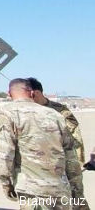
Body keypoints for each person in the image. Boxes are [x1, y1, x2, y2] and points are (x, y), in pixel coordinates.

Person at [0, 78, 82, 208]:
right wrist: (76, 188)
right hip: (60, 187)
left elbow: (5, 153)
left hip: (32, 190)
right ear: (31, 93)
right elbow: (70, 155)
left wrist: (6, 183)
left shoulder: (7, 114)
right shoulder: (55, 114)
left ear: (9, 93)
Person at [27, 77, 88, 209]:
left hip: (66, 164)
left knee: (76, 199)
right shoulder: (26, 113)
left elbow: (75, 139)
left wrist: (76, 163)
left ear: (35, 93)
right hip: (39, 168)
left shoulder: (60, 111)